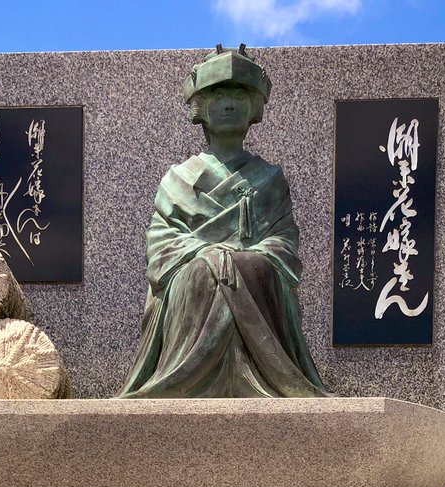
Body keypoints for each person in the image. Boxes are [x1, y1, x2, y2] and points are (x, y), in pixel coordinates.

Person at [120, 46, 327, 398]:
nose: (229, 105)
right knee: (200, 275)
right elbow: (162, 243)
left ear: (253, 109)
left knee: (256, 268)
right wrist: (205, 253)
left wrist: (240, 259)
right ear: (201, 108)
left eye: (239, 96)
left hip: (256, 277)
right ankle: (185, 379)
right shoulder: (178, 179)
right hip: (192, 277)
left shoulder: (269, 178)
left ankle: (262, 380)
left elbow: (284, 242)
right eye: (218, 96)